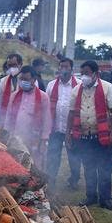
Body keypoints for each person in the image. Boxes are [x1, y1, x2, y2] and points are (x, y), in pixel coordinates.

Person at [66, 60, 112, 211]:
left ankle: (105, 199)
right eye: (82, 73)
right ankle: (91, 196)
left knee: (104, 168)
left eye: (87, 73)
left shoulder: (108, 88)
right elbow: (71, 114)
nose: (84, 77)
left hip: (102, 136)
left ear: (96, 74)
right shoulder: (77, 90)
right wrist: (68, 134)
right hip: (84, 136)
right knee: (88, 167)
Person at [4, 65, 51, 169]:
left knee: (35, 167)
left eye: (26, 79)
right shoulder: (14, 96)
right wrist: (6, 135)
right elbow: (8, 117)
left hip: (35, 140)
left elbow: (47, 120)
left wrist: (44, 140)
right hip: (16, 139)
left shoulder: (43, 97)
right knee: (18, 165)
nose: (23, 82)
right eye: (21, 79)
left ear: (33, 80)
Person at [45, 57, 81, 192]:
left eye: (66, 67)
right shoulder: (51, 85)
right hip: (55, 127)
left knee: (74, 157)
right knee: (53, 154)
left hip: (72, 128)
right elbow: (47, 105)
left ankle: (74, 179)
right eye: (61, 66)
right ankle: (51, 179)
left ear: (72, 69)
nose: (63, 69)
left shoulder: (78, 85)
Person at [0, 53, 23, 127]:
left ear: (20, 65)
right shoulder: (3, 81)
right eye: (9, 65)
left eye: (14, 65)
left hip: (21, 121)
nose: (11, 68)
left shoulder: (28, 81)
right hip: (4, 119)